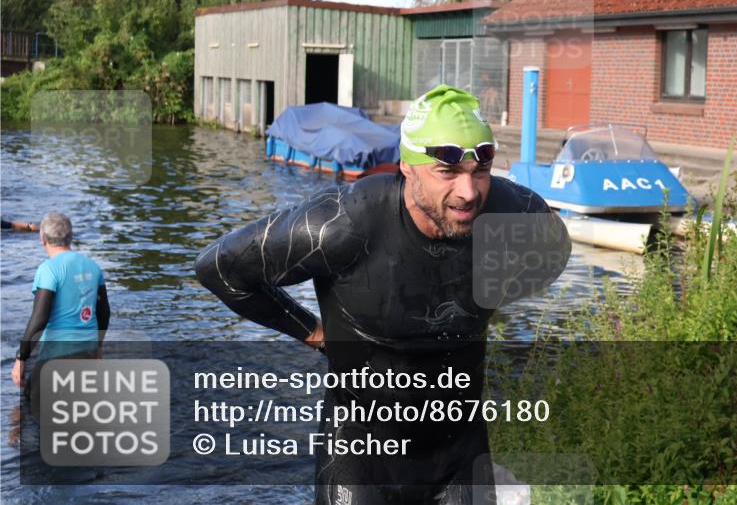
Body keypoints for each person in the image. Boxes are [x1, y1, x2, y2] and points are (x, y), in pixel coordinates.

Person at [196, 85, 570, 505]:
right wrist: (315, 334)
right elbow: (220, 268)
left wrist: (493, 293)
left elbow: (555, 249)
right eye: (447, 173)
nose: (468, 192)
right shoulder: (343, 224)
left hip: (459, 455)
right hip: (361, 457)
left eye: (479, 172)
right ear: (408, 168)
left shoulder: (514, 212)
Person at [11, 212, 110, 403]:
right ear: (70, 237)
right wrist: (98, 347)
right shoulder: (93, 266)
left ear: (43, 239)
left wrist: (20, 358)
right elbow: (104, 313)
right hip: (87, 350)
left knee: (28, 406)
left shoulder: (48, 269)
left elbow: (39, 318)